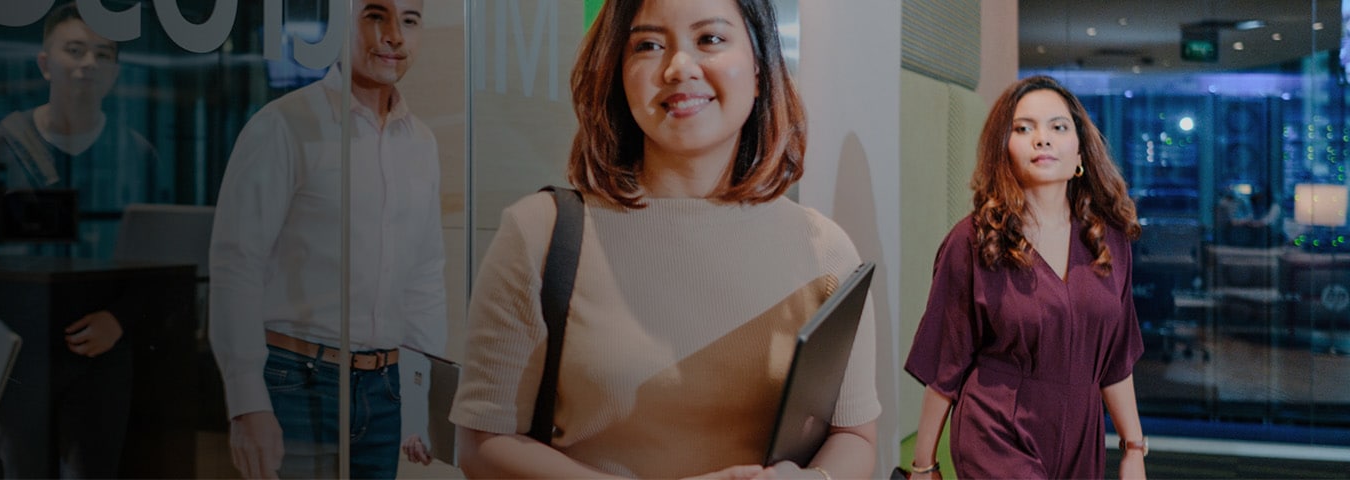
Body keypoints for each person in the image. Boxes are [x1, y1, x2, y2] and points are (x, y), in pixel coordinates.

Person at [448, 0, 881, 478]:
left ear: (758, 71)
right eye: (649, 45)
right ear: (618, 71)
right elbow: (483, 445)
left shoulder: (826, 251)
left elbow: (854, 437)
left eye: (710, 39)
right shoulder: (540, 234)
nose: (678, 68)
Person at [208, 0, 446, 478]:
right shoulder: (284, 125)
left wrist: (422, 399)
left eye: (410, 20)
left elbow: (424, 278)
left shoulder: (421, 142)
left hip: (385, 387)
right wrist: (246, 403)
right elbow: (237, 266)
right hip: (296, 382)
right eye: (375, 15)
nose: (395, 36)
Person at [0, 2, 161, 477]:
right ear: (45, 63)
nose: (88, 64)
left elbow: (157, 265)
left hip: (101, 355)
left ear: (116, 72)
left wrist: (119, 320)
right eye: (75, 50)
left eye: (102, 54)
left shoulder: (136, 154)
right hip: (21, 352)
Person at [903, 76, 1147, 480]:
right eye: (1023, 128)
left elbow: (1116, 359)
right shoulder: (973, 240)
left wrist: (1133, 448)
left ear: (1080, 150)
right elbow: (946, 362)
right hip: (997, 430)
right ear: (1004, 149)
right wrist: (923, 465)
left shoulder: (1109, 241)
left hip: (1081, 437)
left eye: (1058, 127)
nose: (1042, 139)